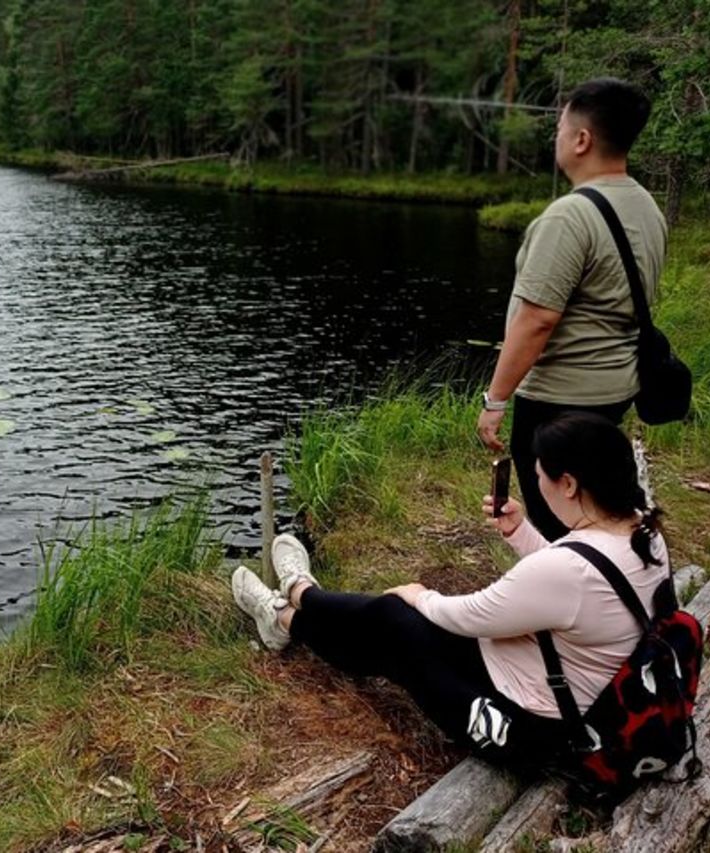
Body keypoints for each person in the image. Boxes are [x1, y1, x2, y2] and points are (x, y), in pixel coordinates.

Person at [232, 412, 669, 770]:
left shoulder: (567, 571)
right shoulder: (641, 531)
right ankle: (296, 604)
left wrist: (419, 594)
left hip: (536, 731)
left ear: (569, 484)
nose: (536, 483)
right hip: (563, 687)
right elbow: (577, 583)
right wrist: (520, 532)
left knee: (398, 625)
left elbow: (472, 615)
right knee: (388, 627)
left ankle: (292, 607)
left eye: (540, 475)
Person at [476, 78, 667, 541]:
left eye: (560, 128)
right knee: (596, 510)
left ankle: (571, 585)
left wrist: (495, 401)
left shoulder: (569, 217)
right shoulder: (646, 207)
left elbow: (537, 320)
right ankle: (620, 571)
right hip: (614, 390)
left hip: (558, 400)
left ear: (582, 139)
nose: (557, 137)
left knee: (556, 523)